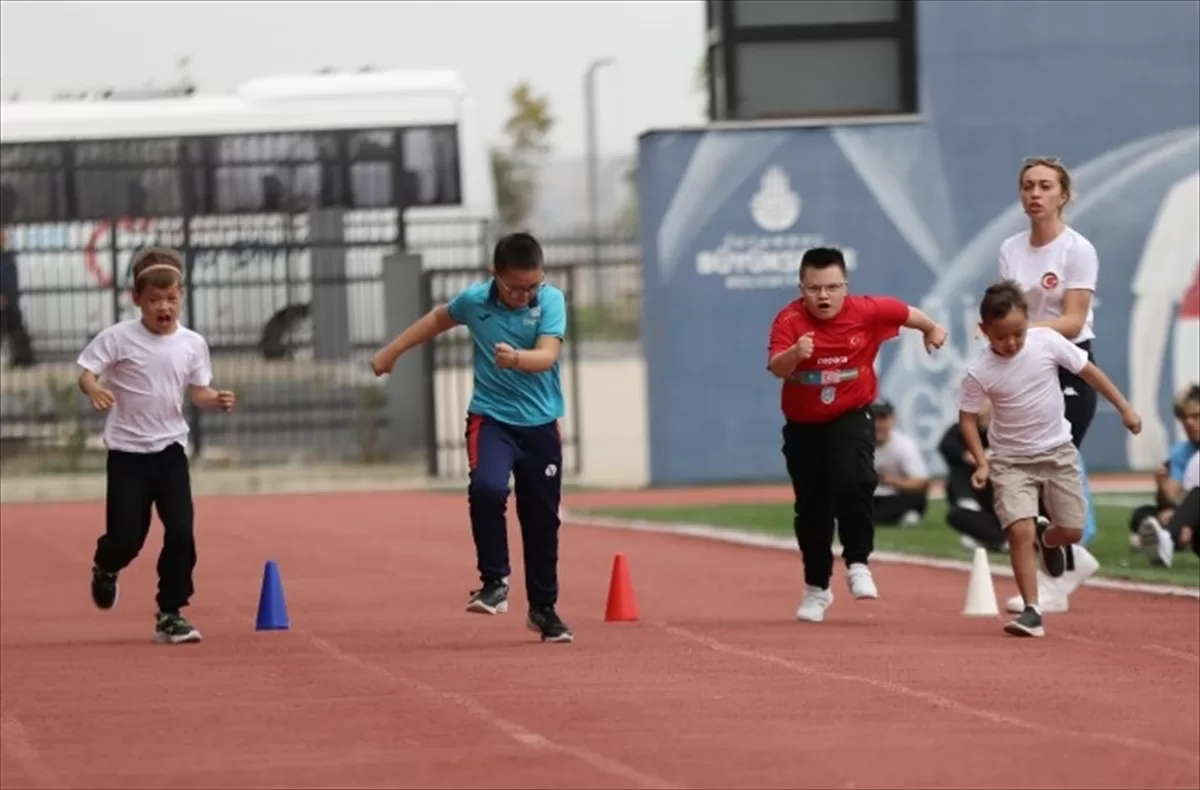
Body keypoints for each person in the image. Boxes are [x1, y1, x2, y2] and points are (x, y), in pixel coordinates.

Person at [371, 232, 573, 644]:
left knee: (541, 520)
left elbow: (548, 355)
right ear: (493, 275)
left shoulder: (550, 301)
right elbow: (437, 319)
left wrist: (517, 359)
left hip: (540, 427)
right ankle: (494, 582)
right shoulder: (475, 302)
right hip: (491, 419)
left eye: (532, 286)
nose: (524, 295)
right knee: (486, 488)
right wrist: (392, 352)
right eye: (515, 287)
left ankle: (544, 609)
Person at [767, 246, 947, 623]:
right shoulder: (788, 321)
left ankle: (858, 562)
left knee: (855, 479)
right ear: (802, 288)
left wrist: (931, 328)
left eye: (832, 287)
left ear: (845, 286)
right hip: (804, 427)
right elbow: (776, 367)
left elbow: (906, 313)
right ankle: (817, 588)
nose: (823, 296)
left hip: (850, 415)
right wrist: (796, 354)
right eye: (814, 288)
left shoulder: (866, 311)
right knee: (812, 510)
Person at [958, 280, 1141, 638]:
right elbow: (966, 417)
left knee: (1071, 530)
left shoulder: (1047, 342)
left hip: (1057, 451)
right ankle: (1032, 609)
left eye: (1018, 334)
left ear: (1029, 322)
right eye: (1001, 337)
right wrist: (982, 462)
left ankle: (1050, 538)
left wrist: (1125, 409)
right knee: (1018, 529)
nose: (1011, 344)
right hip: (1010, 460)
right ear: (983, 332)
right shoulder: (979, 371)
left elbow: (1090, 373)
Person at [79, 247, 235, 645]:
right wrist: (95, 388)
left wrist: (214, 399)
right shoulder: (118, 338)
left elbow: (197, 391)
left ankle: (171, 613)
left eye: (171, 299)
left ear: (181, 295)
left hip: (169, 452)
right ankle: (106, 566)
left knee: (181, 531)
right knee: (127, 539)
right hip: (128, 455)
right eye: (154, 300)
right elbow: (86, 372)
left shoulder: (192, 344)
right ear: (137, 299)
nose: (163, 307)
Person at [998, 156, 1103, 615]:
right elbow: (1008, 311)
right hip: (1026, 367)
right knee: (1024, 475)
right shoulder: (1011, 249)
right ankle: (1065, 568)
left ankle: (1060, 567)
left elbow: (1074, 319)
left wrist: (1028, 333)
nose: (1034, 194)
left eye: (1044, 186)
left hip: (1069, 365)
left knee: (1050, 467)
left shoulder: (1077, 249)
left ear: (1063, 195)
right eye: (1027, 186)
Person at [1129, 384, 1200, 560]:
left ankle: (1167, 537)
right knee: (1143, 513)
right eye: (1185, 418)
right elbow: (1170, 500)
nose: (1189, 423)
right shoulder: (1181, 453)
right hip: (1188, 514)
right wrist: (1161, 486)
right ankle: (1171, 535)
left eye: (1196, 416)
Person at [937, 403, 1008, 553]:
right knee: (957, 514)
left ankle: (997, 539)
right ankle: (998, 539)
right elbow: (946, 446)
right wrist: (972, 457)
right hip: (975, 494)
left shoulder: (1006, 431)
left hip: (1004, 498)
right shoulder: (960, 429)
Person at [869, 399, 931, 526]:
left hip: (892, 496)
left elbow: (921, 482)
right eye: (873, 419)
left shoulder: (904, 445)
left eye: (882, 419)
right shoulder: (856, 444)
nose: (878, 425)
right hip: (866, 496)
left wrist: (890, 481)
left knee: (917, 498)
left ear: (892, 420)